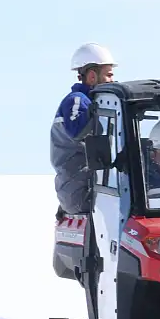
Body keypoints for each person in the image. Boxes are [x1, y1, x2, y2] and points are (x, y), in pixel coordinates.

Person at [50, 42, 116, 216]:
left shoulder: (86, 101)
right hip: (81, 191)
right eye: (108, 75)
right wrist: (95, 112)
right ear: (92, 76)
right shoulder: (77, 100)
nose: (113, 80)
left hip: (80, 188)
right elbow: (79, 132)